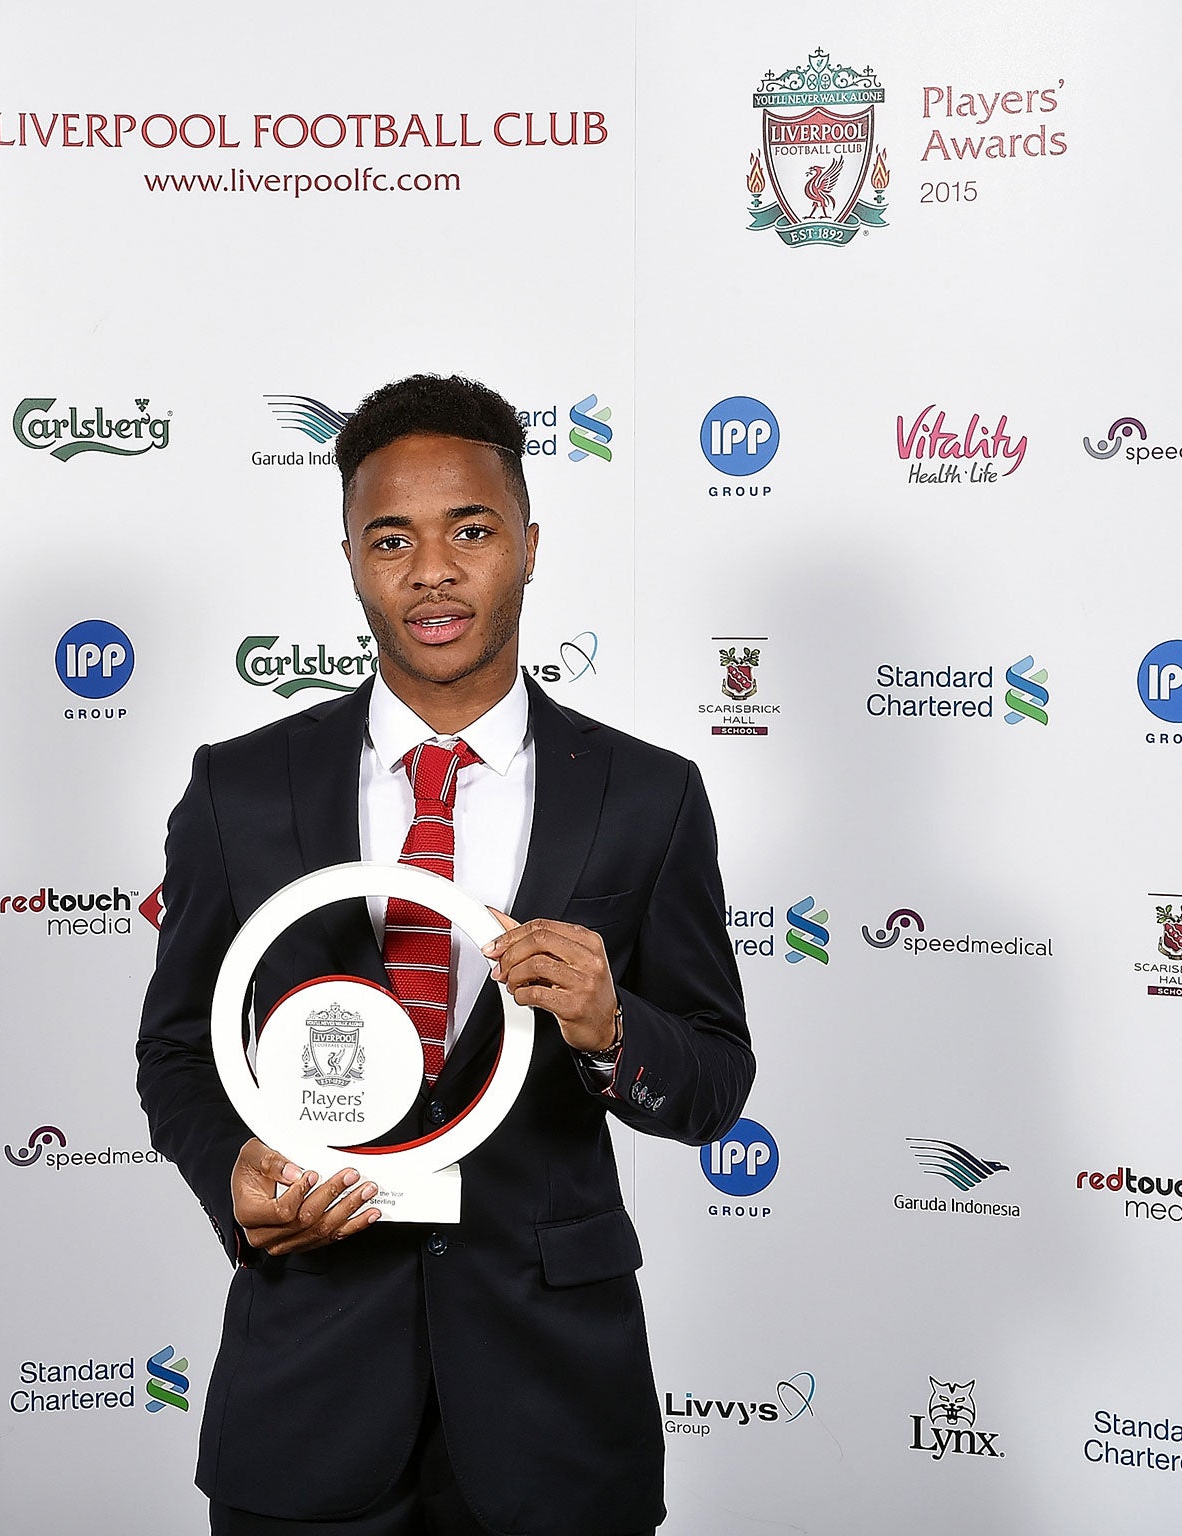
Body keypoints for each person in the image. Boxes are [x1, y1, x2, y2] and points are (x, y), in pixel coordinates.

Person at [137, 374, 755, 1536]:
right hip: (308, 1386)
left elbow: (714, 1079)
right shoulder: (240, 787)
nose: (432, 571)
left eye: (468, 530)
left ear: (525, 546)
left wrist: (615, 1029)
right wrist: (231, 1173)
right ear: (351, 559)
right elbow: (177, 1048)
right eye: (392, 538)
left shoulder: (645, 796)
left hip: (553, 1407)